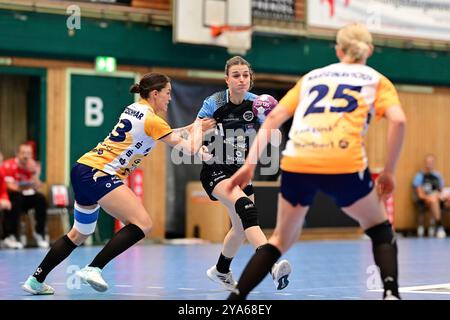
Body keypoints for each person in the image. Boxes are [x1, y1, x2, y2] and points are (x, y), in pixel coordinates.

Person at [226, 23, 406, 300]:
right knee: (379, 228)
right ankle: (391, 293)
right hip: (343, 162)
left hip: (298, 161)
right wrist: (390, 172)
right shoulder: (376, 80)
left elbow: (274, 118)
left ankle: (235, 300)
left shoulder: (312, 77)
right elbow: (398, 120)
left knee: (280, 240)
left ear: (337, 50)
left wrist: (250, 164)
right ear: (368, 50)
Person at [22, 72, 215, 295]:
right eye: (168, 93)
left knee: (79, 233)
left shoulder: (135, 109)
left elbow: (167, 134)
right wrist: (200, 129)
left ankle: (36, 280)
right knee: (142, 224)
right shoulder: (152, 120)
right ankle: (93, 268)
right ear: (155, 94)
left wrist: (194, 127)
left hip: (83, 170)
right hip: (99, 173)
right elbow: (189, 148)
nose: (170, 98)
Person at [196, 56, 291, 292]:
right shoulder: (215, 102)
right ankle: (271, 264)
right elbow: (194, 132)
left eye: (245, 75)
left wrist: (271, 122)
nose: (241, 80)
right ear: (227, 80)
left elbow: (275, 138)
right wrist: (200, 147)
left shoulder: (258, 104)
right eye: (236, 75)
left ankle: (220, 270)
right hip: (215, 170)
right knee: (247, 209)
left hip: (240, 174)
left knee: (240, 228)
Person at [1, 143, 48, 249]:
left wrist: (34, 173)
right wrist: (25, 187)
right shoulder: (8, 165)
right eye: (23, 153)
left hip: (26, 196)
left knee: (40, 199)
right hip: (12, 197)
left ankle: (39, 233)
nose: (26, 156)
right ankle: (10, 236)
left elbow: (36, 187)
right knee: (15, 198)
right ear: (17, 154)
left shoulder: (32, 166)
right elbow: (9, 187)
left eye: (28, 153)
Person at [413, 154, 449, 238]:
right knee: (433, 200)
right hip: (426, 200)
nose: (429, 164)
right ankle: (439, 227)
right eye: (428, 162)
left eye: (431, 162)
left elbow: (441, 190)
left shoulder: (437, 176)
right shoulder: (419, 176)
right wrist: (431, 197)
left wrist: (443, 196)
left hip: (438, 198)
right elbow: (420, 195)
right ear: (425, 163)